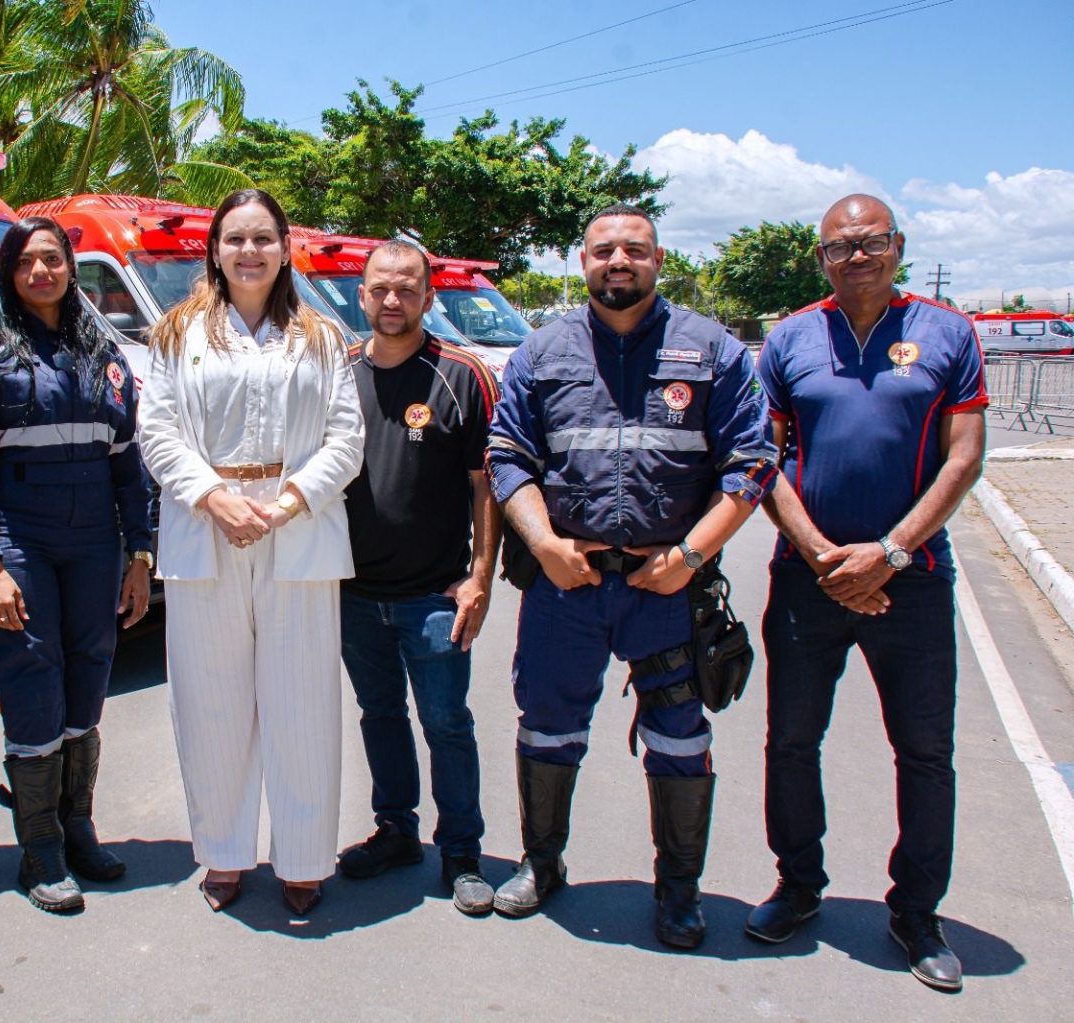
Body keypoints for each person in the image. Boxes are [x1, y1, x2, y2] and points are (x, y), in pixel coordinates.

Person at [485, 203, 777, 947]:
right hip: (567, 584)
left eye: (635, 250)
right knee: (546, 727)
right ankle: (541, 863)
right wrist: (545, 544)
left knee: (679, 736)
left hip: (667, 586)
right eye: (604, 249)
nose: (619, 261)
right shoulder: (540, 351)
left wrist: (690, 558)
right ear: (582, 261)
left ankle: (679, 890)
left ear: (658, 260)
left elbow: (751, 464)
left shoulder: (712, 350)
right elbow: (507, 455)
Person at [745, 194, 986, 992]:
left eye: (871, 242)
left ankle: (916, 911)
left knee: (924, 751)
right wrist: (823, 556)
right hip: (806, 577)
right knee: (791, 740)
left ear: (898, 245)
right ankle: (798, 883)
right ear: (821, 258)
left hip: (912, 579)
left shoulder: (949, 333)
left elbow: (963, 458)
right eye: (840, 247)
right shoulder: (790, 339)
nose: (857, 256)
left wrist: (888, 552)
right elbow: (762, 457)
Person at [137, 188, 364, 916]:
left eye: (263, 238)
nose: (249, 251)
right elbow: (157, 432)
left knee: (303, 703)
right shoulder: (176, 333)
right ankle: (224, 852)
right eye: (235, 238)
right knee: (212, 703)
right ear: (214, 249)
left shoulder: (322, 336)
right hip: (206, 526)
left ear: (285, 248)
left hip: (299, 529)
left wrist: (290, 502)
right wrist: (213, 497)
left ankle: (303, 858)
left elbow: (346, 438)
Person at [0, 217, 152, 914]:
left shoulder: (104, 356)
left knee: (89, 674)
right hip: (22, 539)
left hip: (95, 541)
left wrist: (139, 554)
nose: (41, 271)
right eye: (26, 261)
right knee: (34, 680)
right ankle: (39, 849)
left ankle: (78, 827)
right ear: (9, 272)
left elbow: (129, 466)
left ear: (70, 266)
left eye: (52, 259)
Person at [334, 240, 501, 915]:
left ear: (429, 297)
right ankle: (396, 830)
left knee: (446, 723)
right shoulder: (338, 372)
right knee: (379, 715)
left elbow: (487, 483)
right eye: (380, 288)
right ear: (362, 295)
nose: (392, 300)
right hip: (353, 594)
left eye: (407, 289)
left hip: (435, 594)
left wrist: (481, 574)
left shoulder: (462, 374)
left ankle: (461, 851)